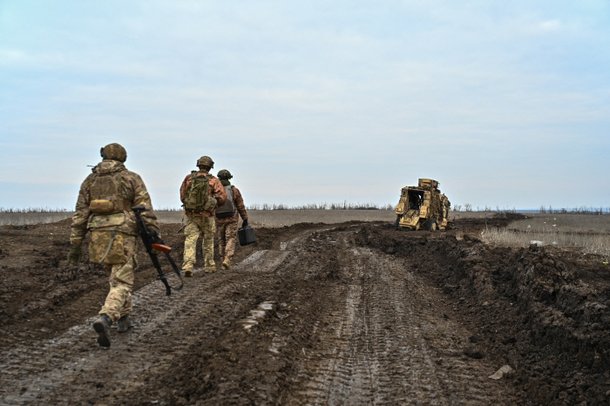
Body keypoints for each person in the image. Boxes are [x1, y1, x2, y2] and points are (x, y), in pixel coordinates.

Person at [67, 143, 160, 348]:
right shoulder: (131, 178)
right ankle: (107, 317)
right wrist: (153, 233)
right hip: (123, 233)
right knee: (122, 281)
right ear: (123, 157)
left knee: (115, 276)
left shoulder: (90, 180)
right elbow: (144, 208)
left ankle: (124, 319)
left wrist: (75, 244)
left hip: (97, 234)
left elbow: (81, 214)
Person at [179, 155, 226, 276]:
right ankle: (209, 266)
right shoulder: (214, 180)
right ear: (210, 167)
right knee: (208, 240)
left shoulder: (189, 178)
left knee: (190, 240)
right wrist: (212, 204)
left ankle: (188, 266)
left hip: (191, 215)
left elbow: (182, 195)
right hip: (207, 216)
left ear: (198, 165)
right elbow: (222, 198)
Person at [215, 169, 249, 270]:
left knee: (221, 240)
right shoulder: (234, 190)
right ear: (229, 178)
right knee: (230, 238)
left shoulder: (215, 190)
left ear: (219, 178)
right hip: (232, 218)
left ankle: (222, 260)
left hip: (219, 219)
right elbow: (240, 206)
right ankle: (227, 260)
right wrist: (245, 218)